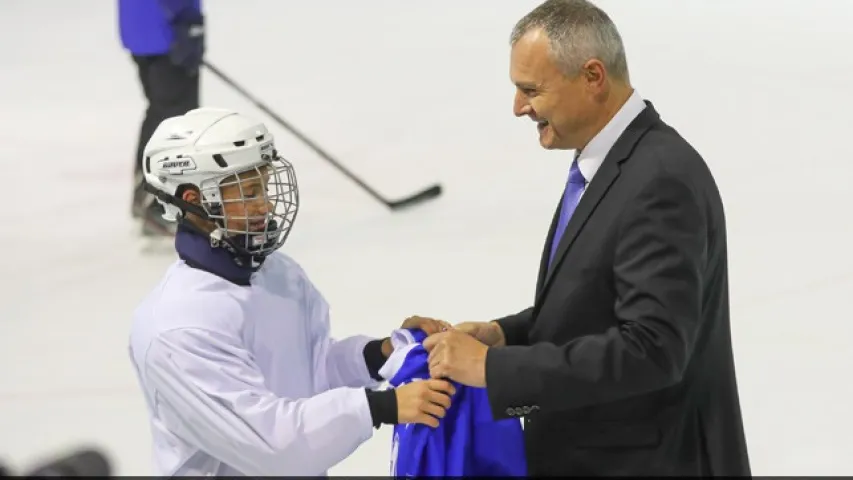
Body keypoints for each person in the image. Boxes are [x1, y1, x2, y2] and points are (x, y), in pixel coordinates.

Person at [417, 0, 751, 476]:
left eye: (530, 89)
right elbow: (602, 301)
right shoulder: (611, 164)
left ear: (593, 76)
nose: (518, 108)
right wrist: (505, 336)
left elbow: (652, 349)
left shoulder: (659, 178)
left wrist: (493, 372)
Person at [128, 107, 456, 477]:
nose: (265, 204)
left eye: (264, 187)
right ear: (194, 199)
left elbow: (309, 374)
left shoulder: (276, 274)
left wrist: (379, 355)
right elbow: (271, 446)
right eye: (248, 192)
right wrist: (379, 407)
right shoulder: (177, 329)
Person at [118, 0, 205, 236]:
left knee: (161, 111)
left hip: (141, 28)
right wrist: (187, 19)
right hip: (166, 29)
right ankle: (158, 204)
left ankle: (147, 198)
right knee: (176, 118)